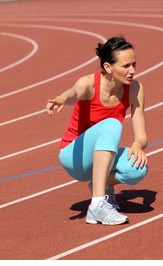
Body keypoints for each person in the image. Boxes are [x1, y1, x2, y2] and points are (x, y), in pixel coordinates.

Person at [46, 36, 148, 225]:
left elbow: (142, 135)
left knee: (137, 168)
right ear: (108, 67)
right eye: (126, 66)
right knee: (112, 124)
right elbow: (74, 92)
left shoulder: (135, 89)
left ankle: (102, 185)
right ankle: (98, 205)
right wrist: (62, 97)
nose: (132, 71)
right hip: (74, 157)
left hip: (100, 154)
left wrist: (137, 144)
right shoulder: (89, 83)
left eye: (134, 64)